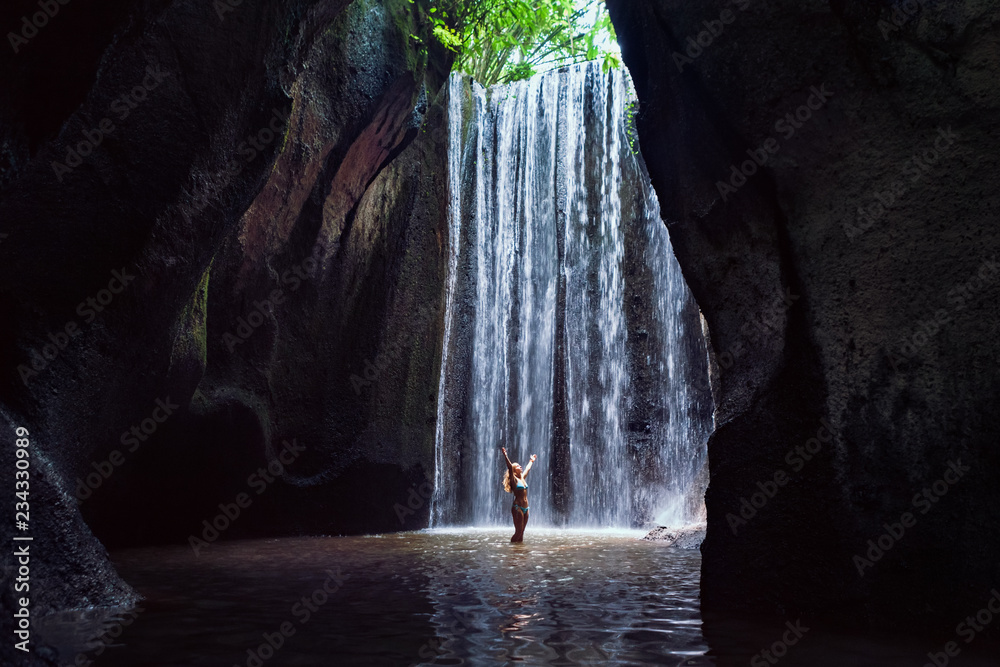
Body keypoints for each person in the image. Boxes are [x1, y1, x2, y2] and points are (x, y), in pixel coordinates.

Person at [501, 446, 536, 543]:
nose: (520, 466)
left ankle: (519, 552)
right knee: (518, 531)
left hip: (526, 507)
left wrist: (531, 461)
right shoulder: (514, 480)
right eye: (517, 466)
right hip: (518, 507)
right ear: (514, 470)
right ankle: (512, 549)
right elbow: (509, 466)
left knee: (522, 532)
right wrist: (505, 455)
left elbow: (528, 469)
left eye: (520, 465)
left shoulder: (522, 478)